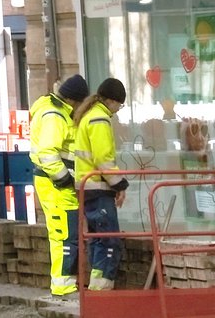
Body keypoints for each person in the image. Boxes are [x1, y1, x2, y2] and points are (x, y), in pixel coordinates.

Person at [29, 74, 89, 297]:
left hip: (52, 183)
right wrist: (65, 179)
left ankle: (65, 282)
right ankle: (63, 285)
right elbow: (47, 152)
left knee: (65, 233)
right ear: (75, 100)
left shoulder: (53, 109)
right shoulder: (55, 116)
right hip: (56, 185)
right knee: (64, 234)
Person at [74, 78, 130, 291]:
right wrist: (119, 185)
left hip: (87, 189)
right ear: (112, 101)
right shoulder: (99, 119)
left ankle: (96, 288)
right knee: (109, 241)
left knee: (97, 240)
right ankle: (103, 291)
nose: (118, 110)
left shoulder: (88, 115)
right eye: (119, 104)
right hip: (98, 188)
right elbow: (103, 158)